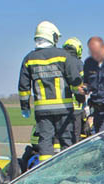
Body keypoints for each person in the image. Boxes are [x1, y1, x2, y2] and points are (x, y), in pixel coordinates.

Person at [18, 21, 83, 163]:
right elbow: (75, 80)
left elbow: (23, 87)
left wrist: (25, 107)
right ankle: (69, 170)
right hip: (64, 108)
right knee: (67, 141)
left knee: (45, 144)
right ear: (51, 36)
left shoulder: (29, 59)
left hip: (42, 111)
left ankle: (45, 173)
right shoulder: (63, 56)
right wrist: (80, 97)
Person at [63, 37, 86, 144]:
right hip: (76, 107)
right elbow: (83, 85)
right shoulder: (78, 63)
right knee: (75, 138)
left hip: (61, 107)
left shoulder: (60, 61)